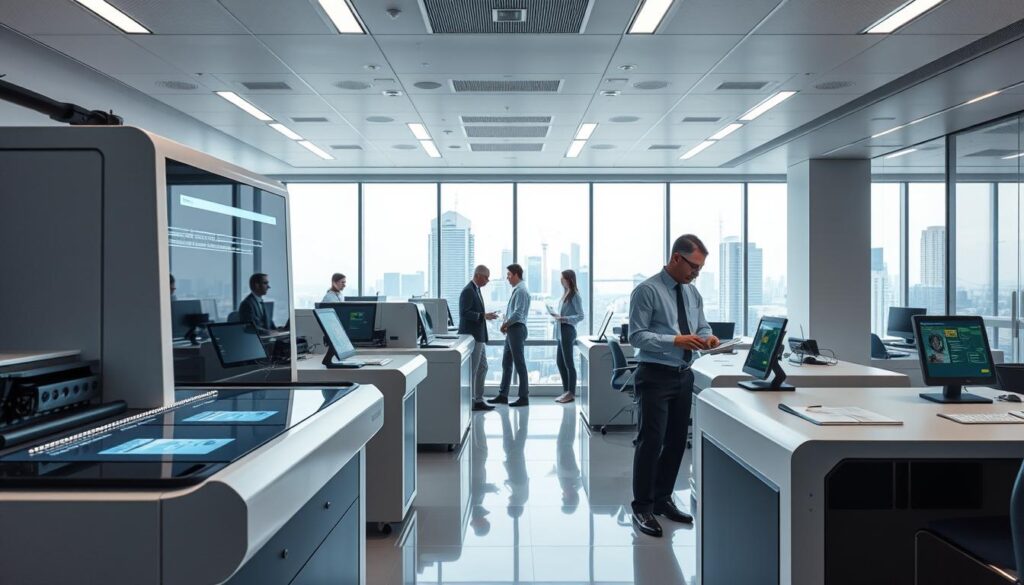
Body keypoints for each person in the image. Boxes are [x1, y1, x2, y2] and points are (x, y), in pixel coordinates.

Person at [628, 234, 720, 538]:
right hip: (654, 375)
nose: (696, 273)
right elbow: (637, 337)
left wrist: (708, 338)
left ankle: (662, 499)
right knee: (650, 442)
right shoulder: (647, 291)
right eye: (694, 266)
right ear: (676, 258)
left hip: (684, 375)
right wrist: (675, 340)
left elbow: (702, 326)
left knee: (677, 442)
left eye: (700, 268)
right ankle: (642, 506)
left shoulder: (692, 293)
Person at [489, 263, 531, 407]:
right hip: (513, 329)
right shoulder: (517, 290)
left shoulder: (521, 291)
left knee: (519, 363)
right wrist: (506, 321)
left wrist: (505, 324)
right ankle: (503, 395)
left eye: (508, 275)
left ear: (515, 274)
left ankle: (523, 397)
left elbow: (518, 313)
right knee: (506, 363)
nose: (507, 278)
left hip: (517, 329)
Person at [459, 265, 500, 412]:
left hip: (479, 336)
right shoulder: (468, 291)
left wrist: (484, 315)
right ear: (477, 275)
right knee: (473, 369)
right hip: (473, 337)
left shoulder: (476, 290)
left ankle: (478, 399)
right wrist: (483, 316)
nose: (488, 280)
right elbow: (464, 313)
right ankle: (470, 401)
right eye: (486, 277)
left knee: (483, 367)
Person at [553, 269, 585, 403]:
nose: (561, 281)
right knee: (560, 362)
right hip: (561, 331)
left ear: (570, 279)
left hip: (568, 331)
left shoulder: (575, 295)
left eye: (563, 279)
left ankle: (571, 392)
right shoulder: (565, 294)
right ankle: (566, 391)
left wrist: (565, 319)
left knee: (568, 363)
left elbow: (580, 316)